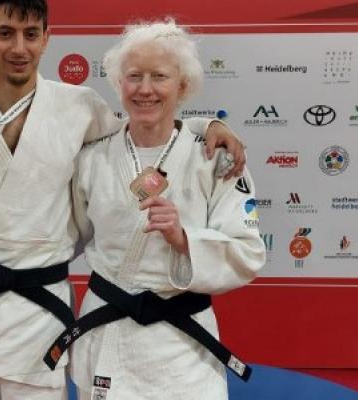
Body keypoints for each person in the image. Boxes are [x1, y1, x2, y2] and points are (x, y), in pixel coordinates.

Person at [0, 1, 248, 398]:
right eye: (5, 33)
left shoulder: (78, 107)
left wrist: (205, 126)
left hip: (38, 316)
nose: (19, 47)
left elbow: (143, 131)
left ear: (46, 39)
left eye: (30, 34)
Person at [49, 19, 266, 400]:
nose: (145, 89)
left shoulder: (217, 159)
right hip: (110, 336)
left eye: (160, 77)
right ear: (119, 83)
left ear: (183, 85)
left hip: (183, 348)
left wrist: (185, 240)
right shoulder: (92, 157)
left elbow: (248, 251)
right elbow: (65, 235)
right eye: (134, 76)